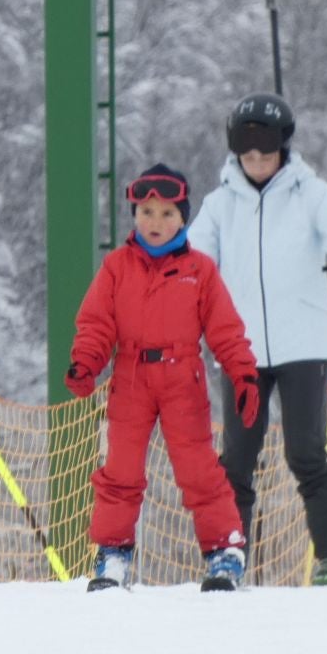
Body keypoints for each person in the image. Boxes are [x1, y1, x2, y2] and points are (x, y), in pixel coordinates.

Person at [188, 92, 327, 586]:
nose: (256, 165)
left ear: (283, 151)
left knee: (306, 453)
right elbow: (192, 260)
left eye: (265, 156)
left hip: (305, 344)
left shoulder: (309, 193)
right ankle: (226, 557)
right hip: (241, 348)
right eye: (248, 157)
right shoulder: (220, 203)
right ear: (236, 155)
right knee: (238, 459)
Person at [67, 164, 259, 592]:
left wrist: (243, 375)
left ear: (183, 218)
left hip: (181, 378)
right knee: (121, 470)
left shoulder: (199, 270)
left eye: (167, 213)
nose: (155, 222)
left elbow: (226, 330)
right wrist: (86, 362)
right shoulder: (117, 267)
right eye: (147, 212)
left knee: (198, 470)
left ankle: (223, 552)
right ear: (135, 214)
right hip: (131, 378)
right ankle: (113, 555)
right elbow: (97, 323)